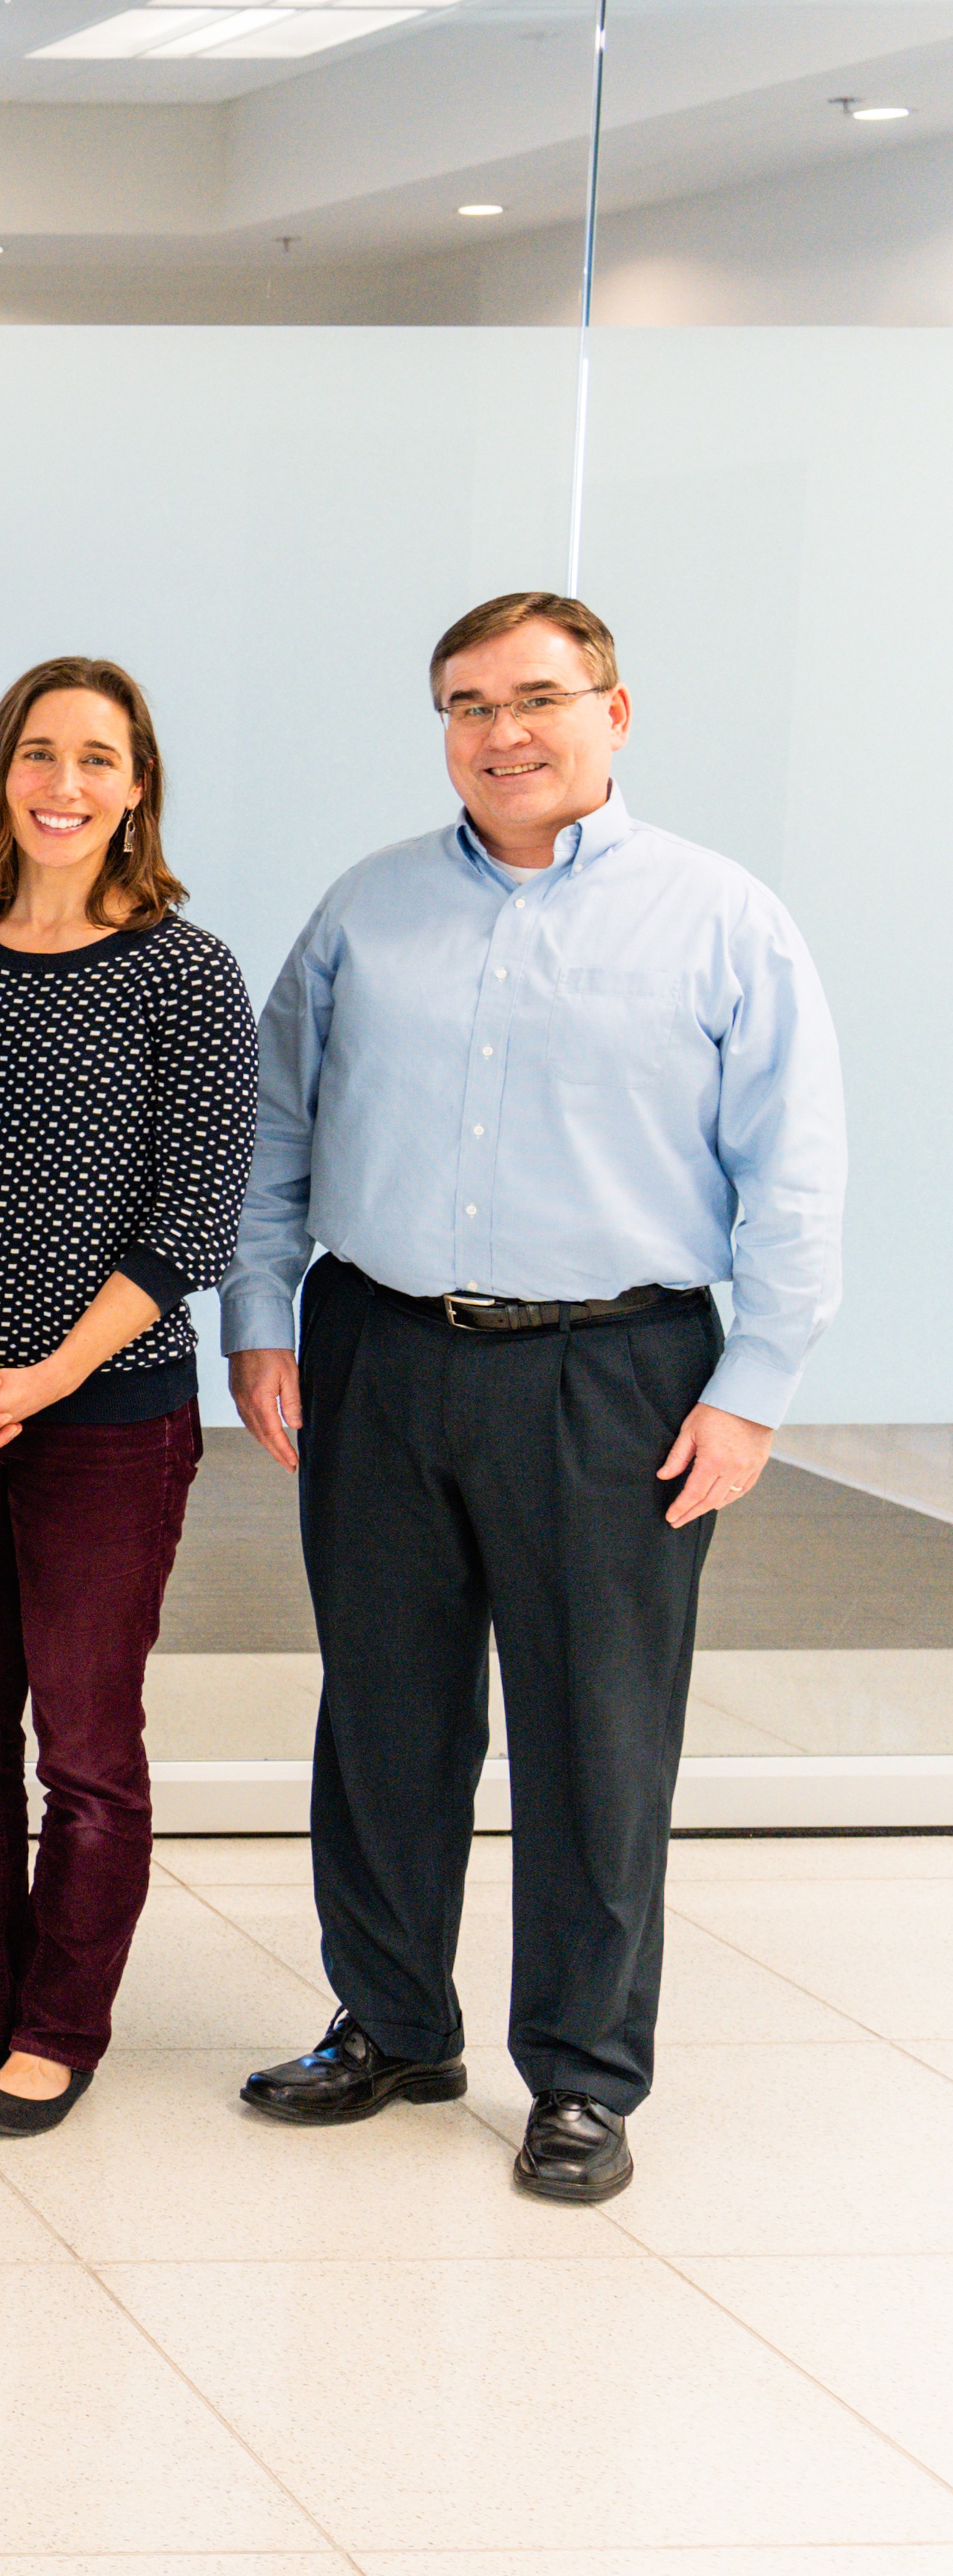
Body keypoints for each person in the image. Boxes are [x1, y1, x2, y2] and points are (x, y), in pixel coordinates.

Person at [227, 591, 842, 2207]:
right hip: (377, 1348)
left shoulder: (722, 919)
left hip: (616, 1368)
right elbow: (274, 1126)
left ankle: (578, 2076)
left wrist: (755, 1385)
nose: (502, 730)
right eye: (466, 702)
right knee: (381, 1716)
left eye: (537, 697)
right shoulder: (364, 910)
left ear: (614, 713)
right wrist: (260, 1319)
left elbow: (794, 1171)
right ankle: (390, 2021)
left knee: (596, 1734)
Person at [0, 660, 253, 2138]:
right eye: (38, 753)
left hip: (103, 1410)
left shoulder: (183, 970)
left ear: (136, 782)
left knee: (85, 1746)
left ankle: (58, 2026)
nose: (64, 784)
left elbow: (190, 1225)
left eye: (97, 757)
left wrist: (41, 1373)